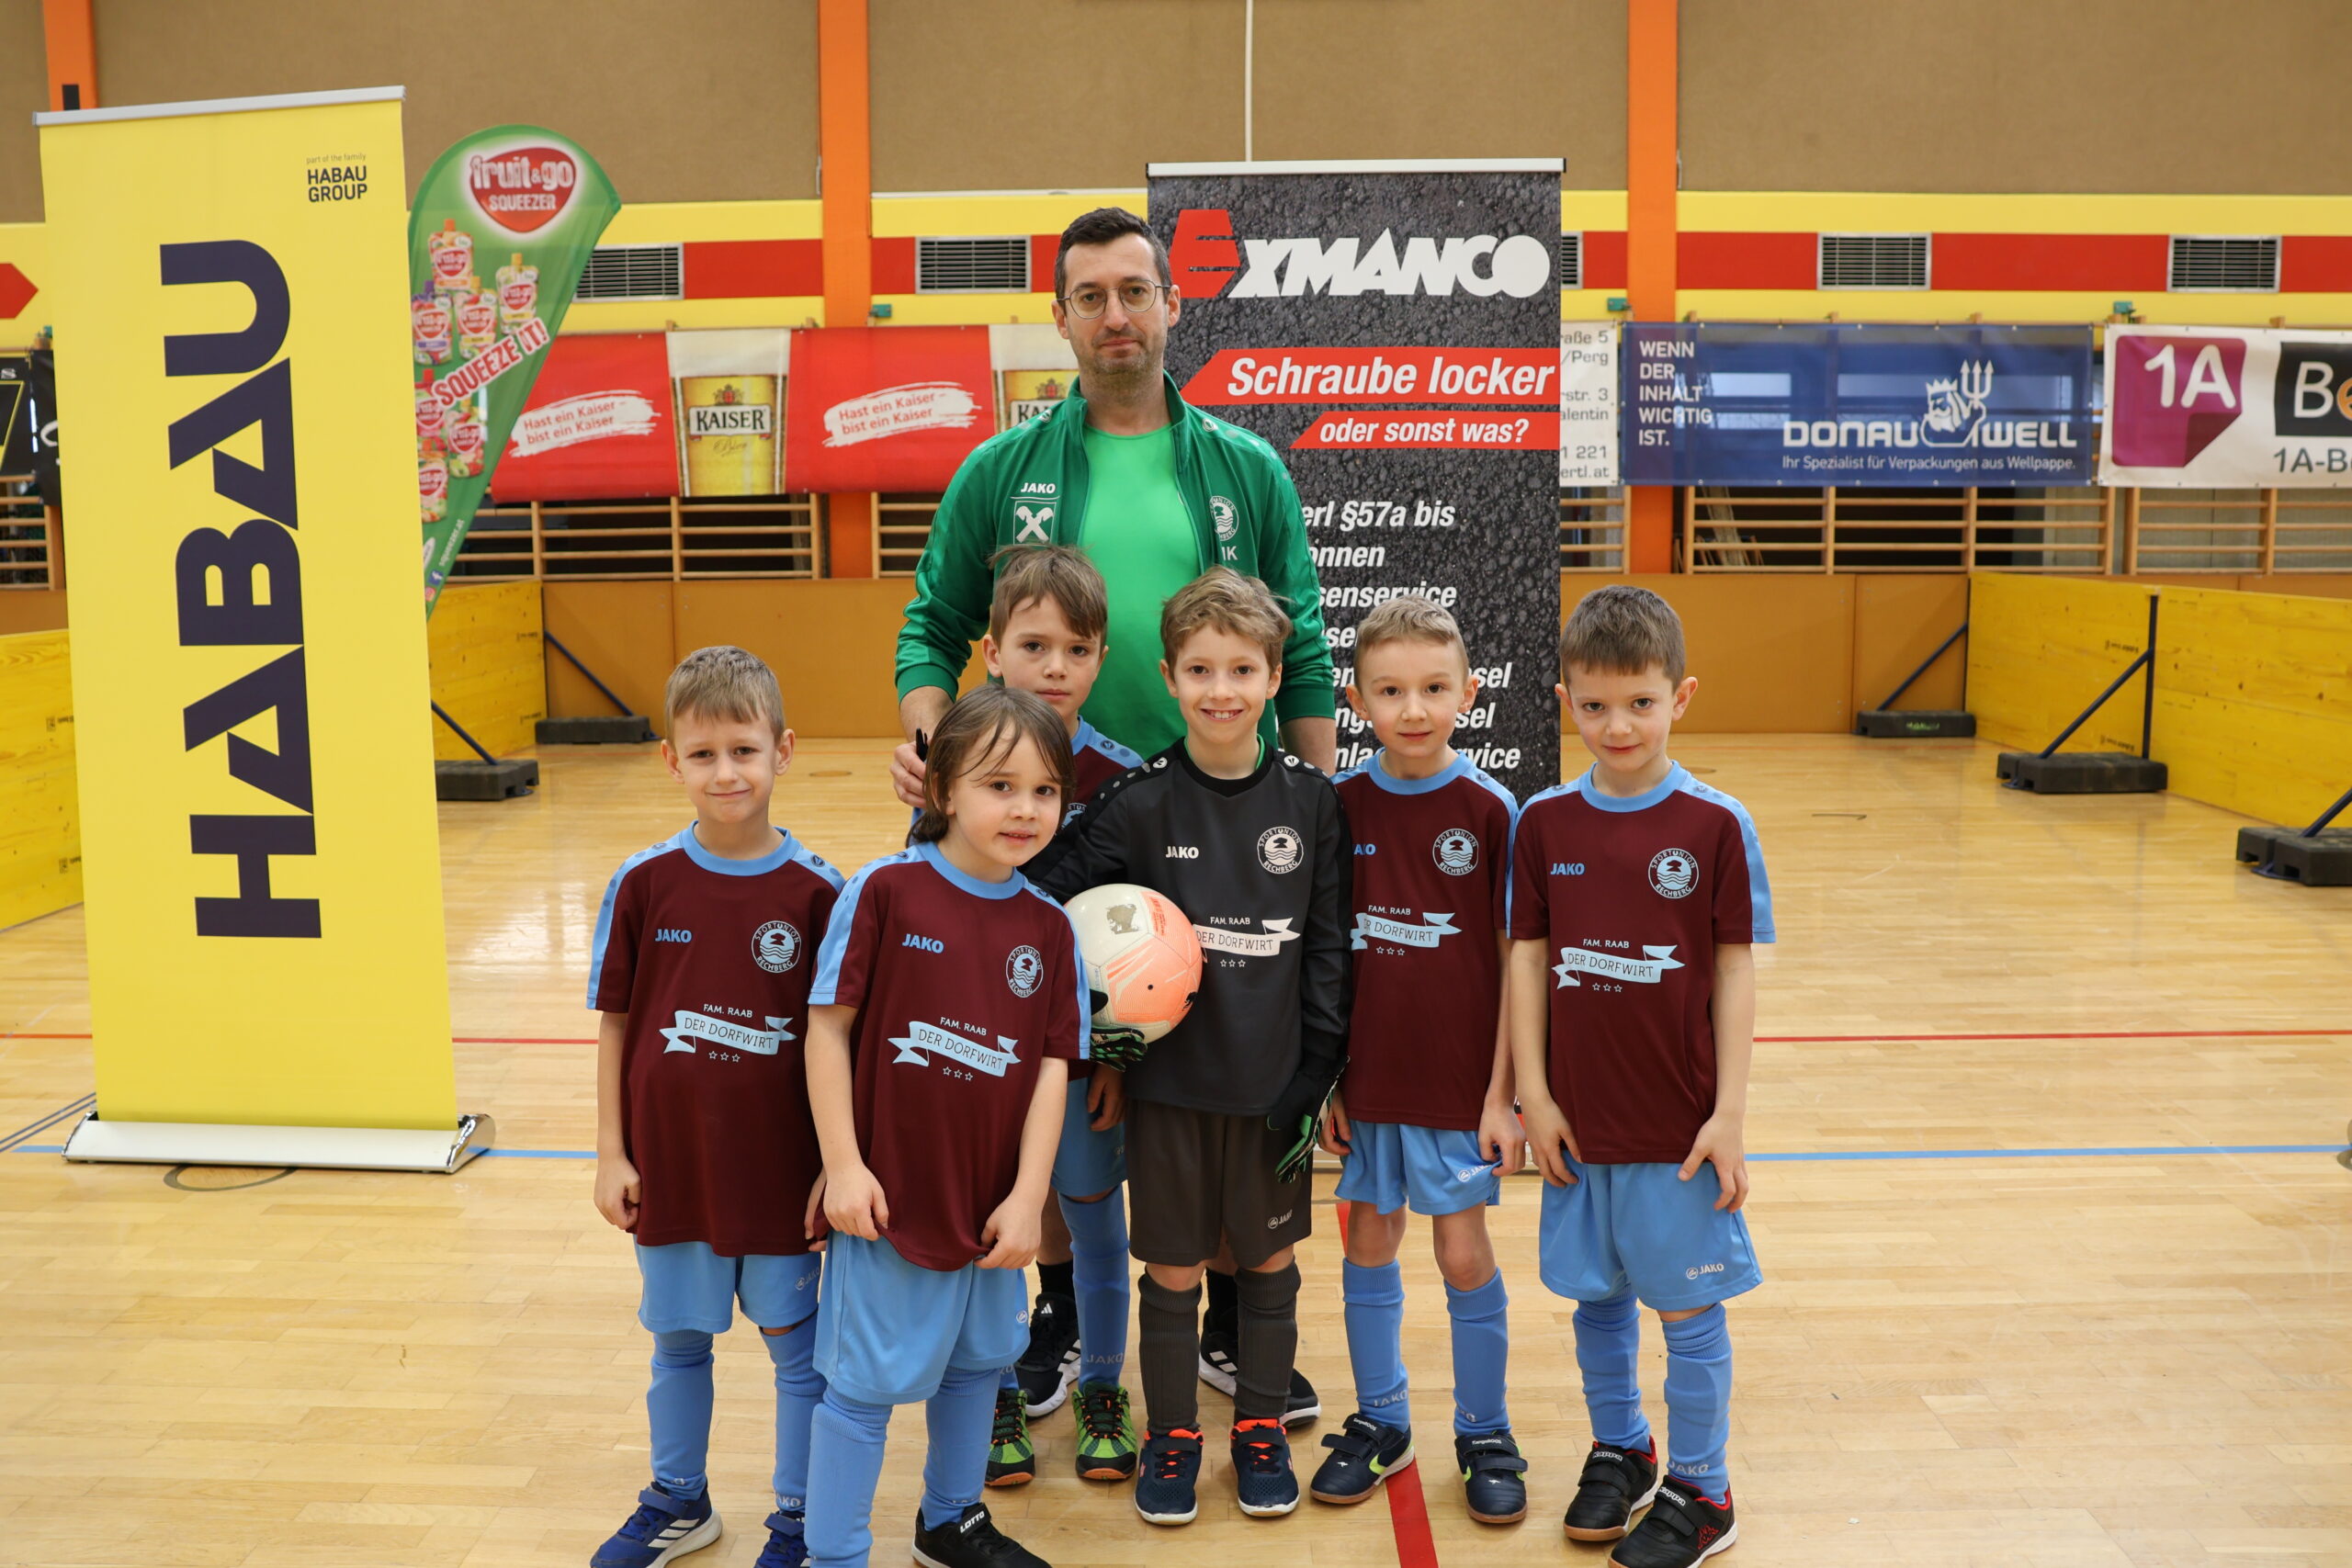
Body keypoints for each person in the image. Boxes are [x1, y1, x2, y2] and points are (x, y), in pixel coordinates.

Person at [893, 207, 1333, 1429]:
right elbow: (931, 626)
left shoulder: (1244, 468)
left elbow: (1298, 647)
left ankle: (1235, 1311)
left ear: (1172, 303)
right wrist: (938, 744)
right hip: (1045, 817)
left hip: (1216, 815)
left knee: (1218, 1061)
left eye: (1135, 291)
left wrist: (1312, 809)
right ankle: (1061, 1312)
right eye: (1090, 296)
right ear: (1061, 318)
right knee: (1042, 1063)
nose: (1116, 316)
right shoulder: (1001, 471)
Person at [1030, 569, 1350, 1527]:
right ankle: (1172, 1434)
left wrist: (1315, 1074)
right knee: (1171, 1269)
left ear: (1274, 675)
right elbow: (1043, 893)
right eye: (1200, 669)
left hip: (1272, 1089)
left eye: (1242, 669)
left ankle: (1259, 1429)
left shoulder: (1313, 803)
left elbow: (1328, 948)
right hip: (1167, 1089)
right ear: (1168, 676)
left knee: (1267, 1265)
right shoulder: (1138, 803)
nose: (1221, 689)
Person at [1508, 586, 1773, 1568]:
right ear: (1565, 701)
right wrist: (1534, 1094)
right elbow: (1526, 958)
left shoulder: (1716, 824)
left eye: (1640, 703)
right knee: (1597, 1299)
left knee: (1687, 1311)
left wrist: (1728, 1115)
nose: (1616, 726)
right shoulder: (1543, 822)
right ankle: (1621, 1446)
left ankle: (1704, 1489)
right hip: (1579, 1120)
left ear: (1680, 697)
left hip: (1677, 1127)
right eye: (1593, 705)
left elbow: (1735, 971)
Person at [800, 687, 1087, 1568]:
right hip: (890, 1204)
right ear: (944, 790)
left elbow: (1050, 1072)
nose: (1024, 808)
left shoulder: (1050, 927)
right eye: (1001, 785)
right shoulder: (886, 890)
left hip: (990, 1209)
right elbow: (826, 1030)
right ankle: (835, 1555)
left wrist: (1029, 1196)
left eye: (1044, 791)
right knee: (862, 1389)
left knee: (978, 1366)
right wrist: (844, 1164)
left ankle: (950, 1521)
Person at [586, 646, 842, 1568]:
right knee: (679, 1341)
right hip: (673, 1167)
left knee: (796, 1352)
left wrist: (836, 1165)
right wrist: (611, 1152)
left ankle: (799, 1518)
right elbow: (616, 1025)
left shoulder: (821, 892)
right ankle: (679, 1499)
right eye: (703, 754)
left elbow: (841, 1045)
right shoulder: (643, 882)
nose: (725, 772)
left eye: (743, 750)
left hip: (781, 1176)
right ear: (671, 761)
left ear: (783, 751)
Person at [1310, 595, 1532, 1524]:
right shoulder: (1338, 806)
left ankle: (1486, 1430)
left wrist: (1502, 1096)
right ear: (1356, 699)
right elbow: (1322, 958)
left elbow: (1517, 963)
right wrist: (1328, 1079)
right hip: (1367, 1084)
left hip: (1456, 1089)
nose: (1413, 709)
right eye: (1391, 690)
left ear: (1469, 692)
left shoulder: (1491, 810)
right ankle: (1382, 1419)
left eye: (1434, 689)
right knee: (1367, 1239)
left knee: (1461, 1249)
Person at [950, 546, 1144, 1491]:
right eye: (1034, 645)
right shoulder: (950, 774)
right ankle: (991, 1394)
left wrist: (1115, 1059)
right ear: (993, 652)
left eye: (1076, 648)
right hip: (977, 1063)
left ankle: (1103, 1386)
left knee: (1095, 1220)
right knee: (985, 1224)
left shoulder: (1126, 781)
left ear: (1101, 657)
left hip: (1080, 1065)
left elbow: (1143, 944)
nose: (1055, 667)